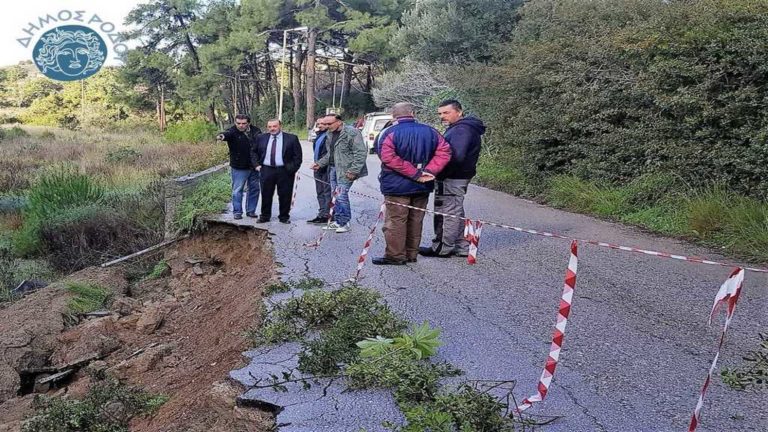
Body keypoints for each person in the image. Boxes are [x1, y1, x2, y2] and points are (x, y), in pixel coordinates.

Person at [372, 103, 451, 265]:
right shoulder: (431, 131)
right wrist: (428, 172)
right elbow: (445, 151)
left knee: (395, 221)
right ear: (413, 113)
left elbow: (387, 157)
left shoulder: (388, 132)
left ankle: (395, 256)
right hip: (422, 186)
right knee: (416, 220)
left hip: (396, 186)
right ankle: (411, 253)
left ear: (393, 116)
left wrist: (415, 174)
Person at [420, 100, 486, 258]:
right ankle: (462, 246)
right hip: (459, 176)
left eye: (446, 112)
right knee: (455, 210)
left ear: (459, 112)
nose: (442, 116)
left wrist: (438, 173)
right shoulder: (464, 128)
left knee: (446, 212)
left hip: (452, 177)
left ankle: (442, 247)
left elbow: (455, 157)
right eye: (440, 113)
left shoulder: (461, 130)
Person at [310, 114, 368, 233]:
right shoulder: (329, 134)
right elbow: (330, 154)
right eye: (324, 124)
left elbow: (360, 153)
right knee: (335, 196)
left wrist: (354, 170)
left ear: (339, 122)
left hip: (346, 171)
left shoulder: (352, 133)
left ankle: (345, 222)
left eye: (329, 124)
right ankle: (337, 221)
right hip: (333, 169)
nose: (326, 126)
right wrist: (320, 163)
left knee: (341, 196)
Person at [252, 119, 302, 224]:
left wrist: (292, 169)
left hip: (285, 170)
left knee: (285, 194)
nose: (272, 129)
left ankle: (284, 217)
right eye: (269, 127)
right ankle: (265, 216)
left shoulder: (291, 138)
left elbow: (297, 157)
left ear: (280, 126)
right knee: (266, 194)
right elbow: (253, 152)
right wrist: (256, 165)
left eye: (274, 126)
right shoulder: (261, 138)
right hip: (266, 169)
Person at [216, 114, 262, 220]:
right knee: (237, 190)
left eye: (243, 123)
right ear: (235, 123)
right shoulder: (232, 131)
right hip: (239, 166)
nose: (241, 125)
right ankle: (237, 212)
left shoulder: (256, 130)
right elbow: (226, 134)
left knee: (254, 189)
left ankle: (251, 211)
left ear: (248, 123)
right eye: (238, 123)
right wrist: (221, 136)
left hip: (254, 166)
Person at [307, 120, 332, 224]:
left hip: (326, 168)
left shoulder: (330, 136)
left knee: (327, 192)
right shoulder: (319, 136)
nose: (320, 126)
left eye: (323, 124)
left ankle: (327, 215)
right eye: (318, 124)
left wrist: (320, 164)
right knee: (320, 192)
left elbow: (329, 154)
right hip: (317, 168)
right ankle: (321, 213)